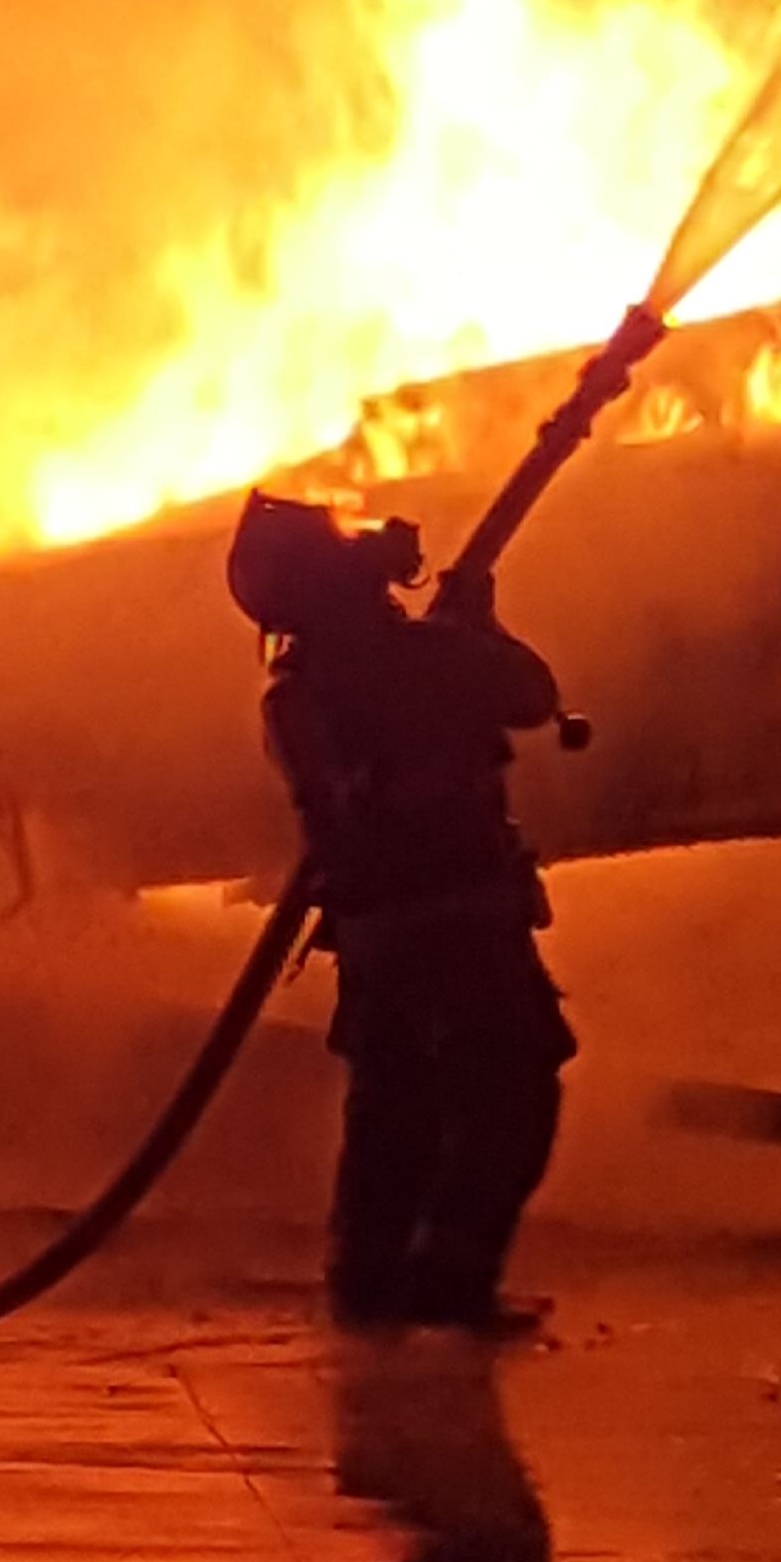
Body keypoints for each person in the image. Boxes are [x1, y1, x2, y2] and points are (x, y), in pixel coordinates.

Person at [227, 490, 575, 1331]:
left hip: (378, 937)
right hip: (460, 916)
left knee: (395, 1107)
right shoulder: (420, 656)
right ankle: (452, 1286)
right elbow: (531, 695)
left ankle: (368, 1284)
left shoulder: (294, 693)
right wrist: (478, 627)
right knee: (510, 1096)